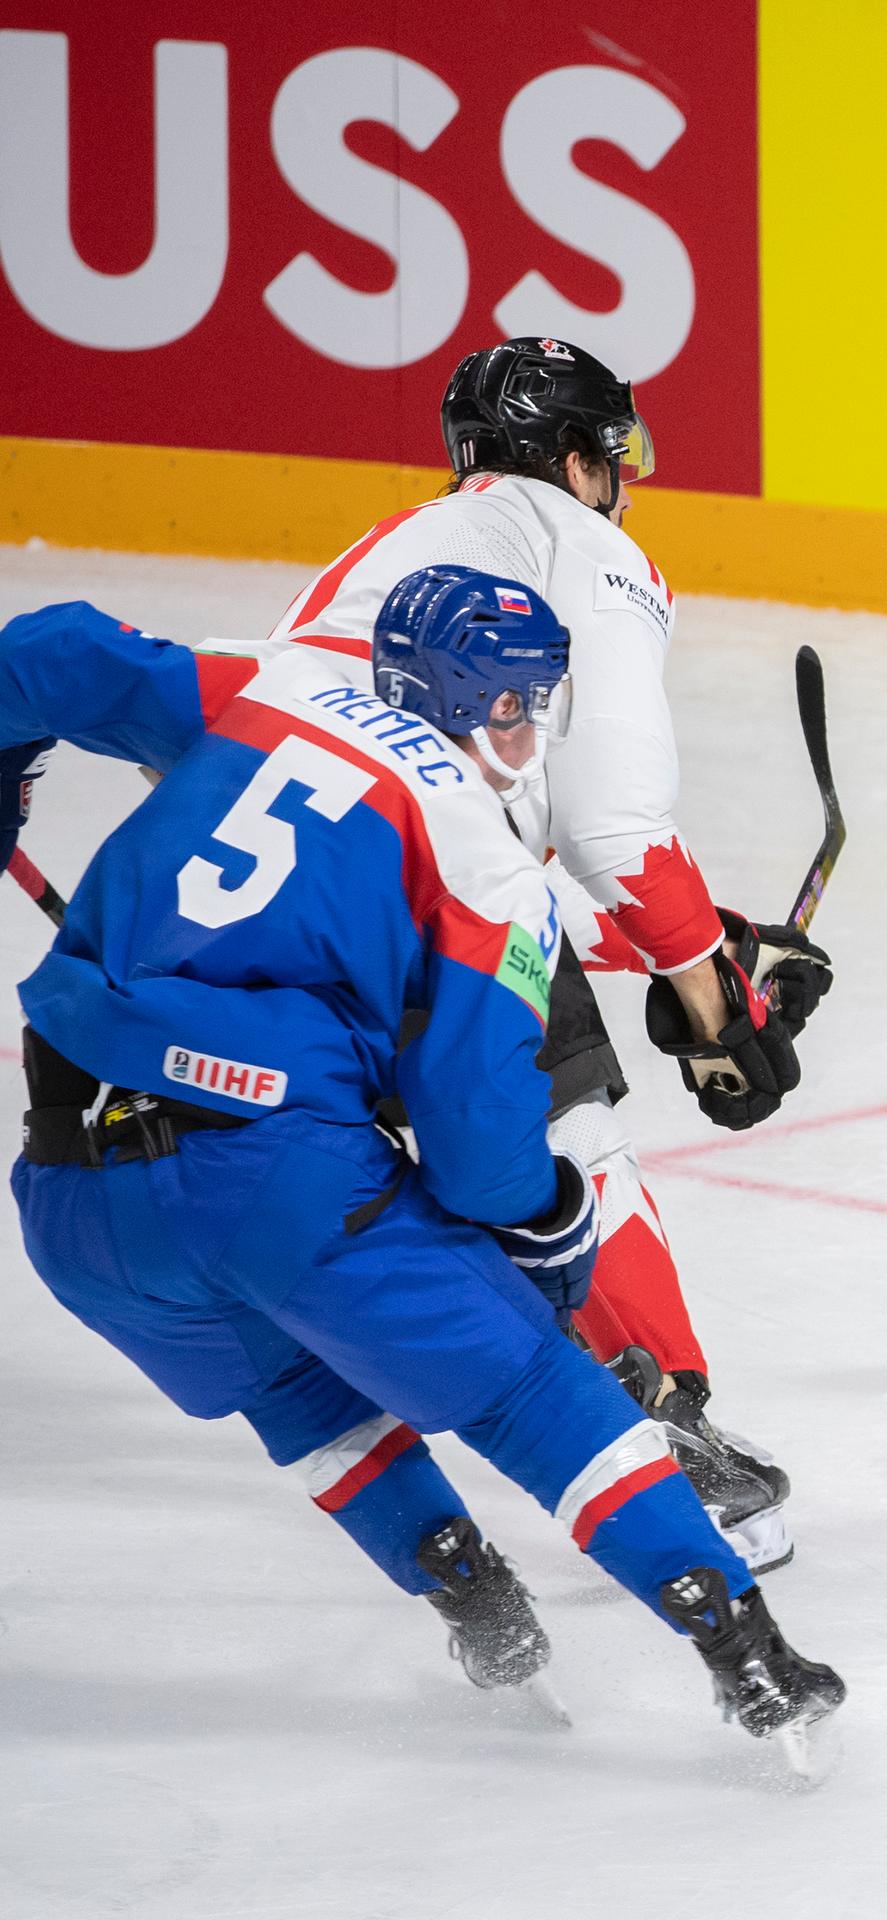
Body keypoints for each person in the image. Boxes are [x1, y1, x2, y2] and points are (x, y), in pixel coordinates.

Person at [0, 569, 841, 1759]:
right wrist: (548, 1235)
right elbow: (479, 1141)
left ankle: (479, 1608)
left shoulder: (275, 686)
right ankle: (747, 1651)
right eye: (522, 705)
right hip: (264, 1182)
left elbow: (43, 655)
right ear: (487, 706)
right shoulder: (489, 866)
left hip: (67, 1199)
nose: (531, 730)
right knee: (534, 1385)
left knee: (290, 1383)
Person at [263, 337, 828, 1572]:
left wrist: (700, 950)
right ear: (575, 460)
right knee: (566, 1128)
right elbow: (605, 828)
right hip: (419, 871)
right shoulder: (588, 549)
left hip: (254, 883)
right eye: (612, 455)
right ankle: (667, 1440)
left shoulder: (383, 557)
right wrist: (717, 1006)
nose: (624, 483)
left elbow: (512, 844)